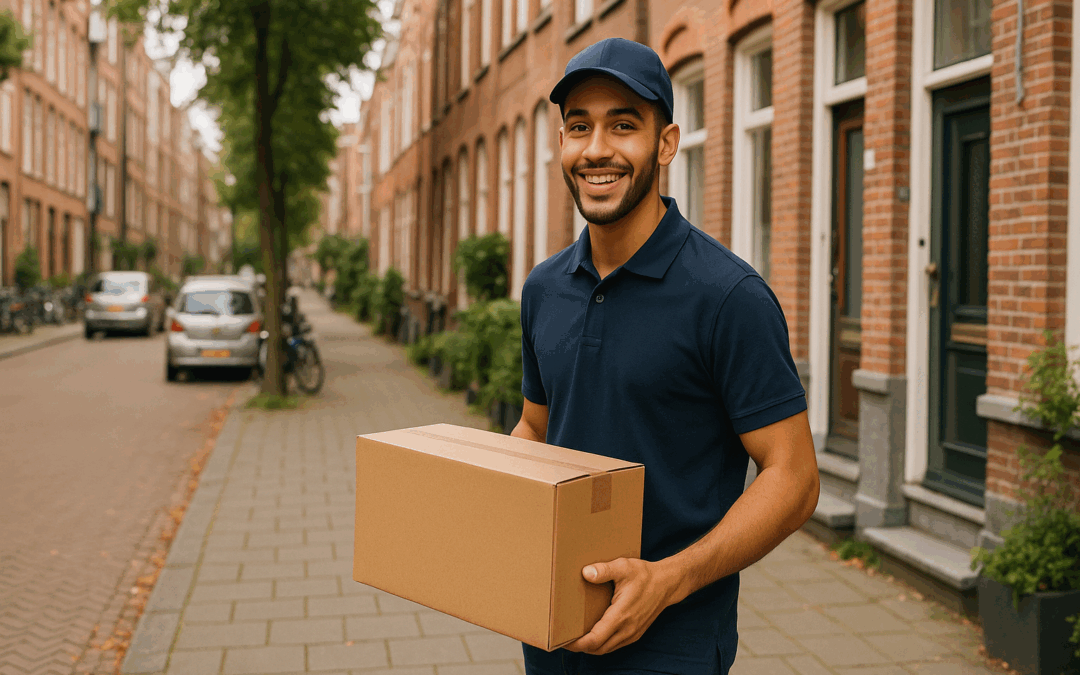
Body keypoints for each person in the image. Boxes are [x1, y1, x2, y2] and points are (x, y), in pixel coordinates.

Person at [511, 37, 820, 675]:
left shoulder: (729, 296)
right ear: (562, 144)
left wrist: (670, 579)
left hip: (671, 647)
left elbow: (793, 479)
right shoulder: (543, 289)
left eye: (624, 125)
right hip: (550, 631)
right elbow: (536, 429)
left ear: (666, 143)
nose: (597, 149)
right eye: (579, 127)